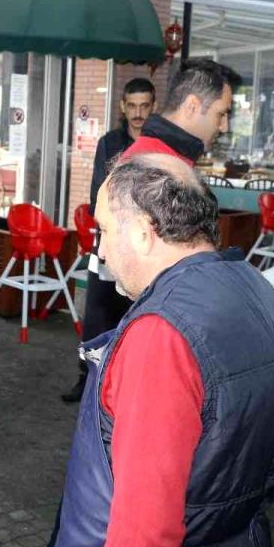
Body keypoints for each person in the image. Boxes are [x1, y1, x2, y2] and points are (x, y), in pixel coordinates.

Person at [27, 152, 274, 547]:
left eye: (104, 230)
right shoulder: (259, 292)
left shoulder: (163, 335)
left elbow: (145, 521)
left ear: (144, 232)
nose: (99, 250)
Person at [62, 78, 155, 404]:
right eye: (132, 106)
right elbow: (97, 196)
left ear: (153, 107)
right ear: (122, 107)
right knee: (97, 317)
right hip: (108, 244)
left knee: (138, 319)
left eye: (144, 106)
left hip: (145, 249)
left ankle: (127, 390)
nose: (138, 113)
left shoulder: (158, 146)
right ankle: (87, 381)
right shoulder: (109, 143)